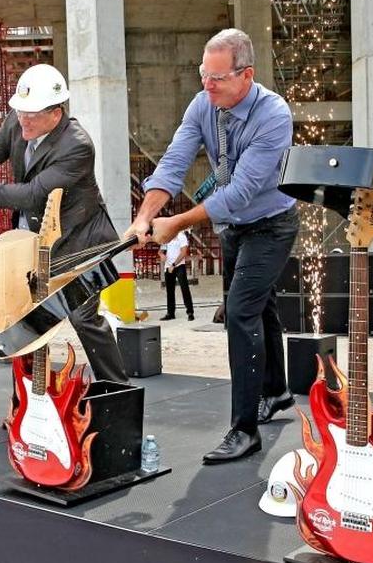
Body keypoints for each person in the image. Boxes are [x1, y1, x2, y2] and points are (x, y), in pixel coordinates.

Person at [127, 28, 299, 464]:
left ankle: (244, 430)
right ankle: (276, 392)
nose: (207, 84)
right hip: (234, 228)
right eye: (204, 74)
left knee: (240, 312)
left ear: (247, 75)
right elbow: (175, 160)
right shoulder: (204, 104)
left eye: (217, 77)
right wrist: (146, 215)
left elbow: (241, 191)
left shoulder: (273, 115)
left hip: (271, 224)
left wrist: (177, 223)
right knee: (262, 307)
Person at [0, 64, 128, 384]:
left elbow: (34, 195)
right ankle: (28, 397)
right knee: (22, 319)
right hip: (32, 240)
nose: (23, 118)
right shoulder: (19, 119)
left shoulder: (77, 145)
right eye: (20, 111)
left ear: (56, 113)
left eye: (32, 114)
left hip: (77, 242)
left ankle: (116, 390)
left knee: (83, 318)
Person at [159, 230, 194, 321]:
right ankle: (170, 313)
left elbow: (183, 252)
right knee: (170, 290)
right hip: (168, 266)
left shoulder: (181, 236)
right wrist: (162, 254)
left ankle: (190, 312)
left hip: (179, 266)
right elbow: (161, 251)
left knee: (184, 288)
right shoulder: (166, 237)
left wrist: (174, 265)